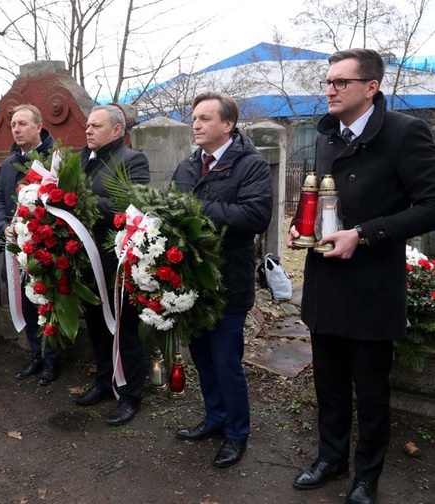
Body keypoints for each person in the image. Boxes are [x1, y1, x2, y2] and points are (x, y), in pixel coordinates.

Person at [287, 49, 435, 504]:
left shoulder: (406, 133)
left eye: (340, 83)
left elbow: (430, 205)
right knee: (328, 381)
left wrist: (365, 235)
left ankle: (366, 476)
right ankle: (331, 459)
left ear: (371, 87)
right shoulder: (327, 134)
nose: (329, 90)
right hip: (326, 281)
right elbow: (320, 195)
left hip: (371, 284)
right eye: (327, 82)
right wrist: (300, 225)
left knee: (370, 390)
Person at [171, 92, 272, 468]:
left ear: (227, 125)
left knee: (226, 361)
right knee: (202, 358)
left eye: (204, 119)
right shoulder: (187, 166)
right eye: (194, 118)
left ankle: (236, 434)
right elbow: (171, 211)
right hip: (192, 282)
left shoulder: (251, 165)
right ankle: (215, 419)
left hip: (229, 280)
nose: (195, 124)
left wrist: (196, 210)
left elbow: (256, 216)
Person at [72, 104, 149, 426]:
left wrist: (83, 201)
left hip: (116, 258)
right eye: (87, 125)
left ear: (117, 130)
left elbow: (131, 205)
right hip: (85, 257)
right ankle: (104, 380)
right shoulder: (79, 160)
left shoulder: (132, 160)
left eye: (96, 126)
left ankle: (131, 394)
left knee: (123, 327)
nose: (88, 130)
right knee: (95, 322)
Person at [0, 104, 61, 385]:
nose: (17, 129)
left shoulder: (55, 158)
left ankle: (53, 361)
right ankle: (37, 355)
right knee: (28, 304)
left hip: (46, 248)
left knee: (48, 304)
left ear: (39, 126)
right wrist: (3, 227)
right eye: (13, 125)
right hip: (17, 250)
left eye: (23, 124)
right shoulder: (10, 163)